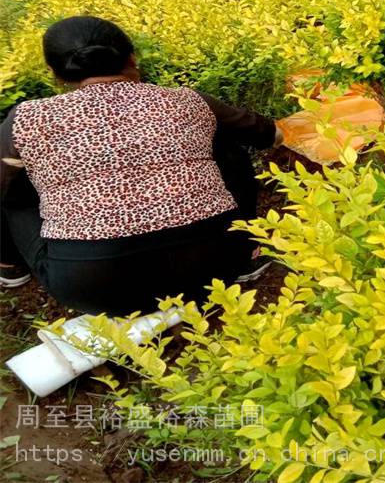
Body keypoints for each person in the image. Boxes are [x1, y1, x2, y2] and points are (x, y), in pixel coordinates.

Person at [0, 16, 281, 315]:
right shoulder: (188, 101)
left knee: (11, 186)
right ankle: (248, 248)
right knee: (225, 142)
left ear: (55, 73)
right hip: (217, 264)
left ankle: (8, 264)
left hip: (97, 287)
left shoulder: (27, 118)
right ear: (132, 58)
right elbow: (270, 135)